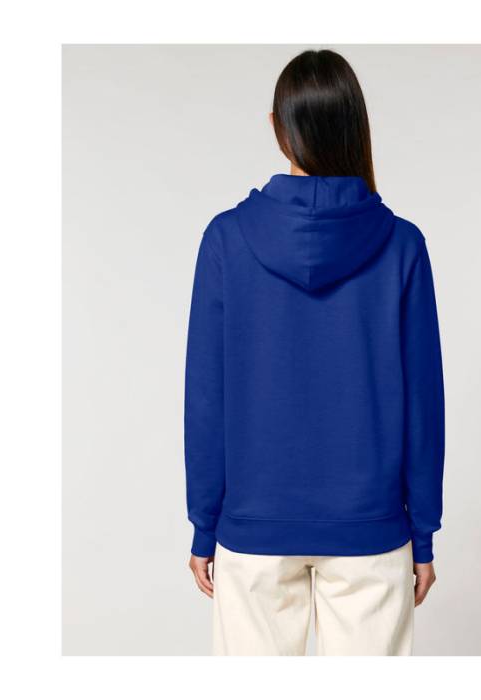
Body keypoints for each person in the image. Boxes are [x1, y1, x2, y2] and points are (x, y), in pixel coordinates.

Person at [184, 49, 445, 656]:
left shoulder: (226, 239)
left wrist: (205, 524)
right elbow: (423, 404)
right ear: (355, 126)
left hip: (254, 530)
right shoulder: (401, 245)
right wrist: (423, 534)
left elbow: (206, 397)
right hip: (371, 532)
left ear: (278, 128)